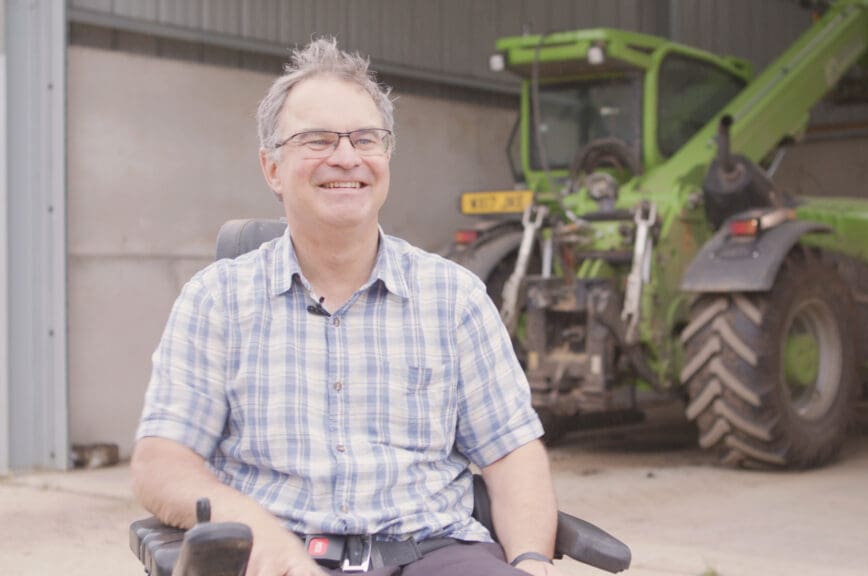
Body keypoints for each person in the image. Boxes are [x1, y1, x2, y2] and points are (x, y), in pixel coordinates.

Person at [132, 37, 565, 576]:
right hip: (278, 553)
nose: (346, 156)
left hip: (434, 550)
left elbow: (511, 454)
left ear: (386, 157)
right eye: (317, 139)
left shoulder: (454, 298)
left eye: (366, 138)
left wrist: (530, 560)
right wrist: (250, 526)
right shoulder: (216, 301)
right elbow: (161, 464)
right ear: (272, 168)